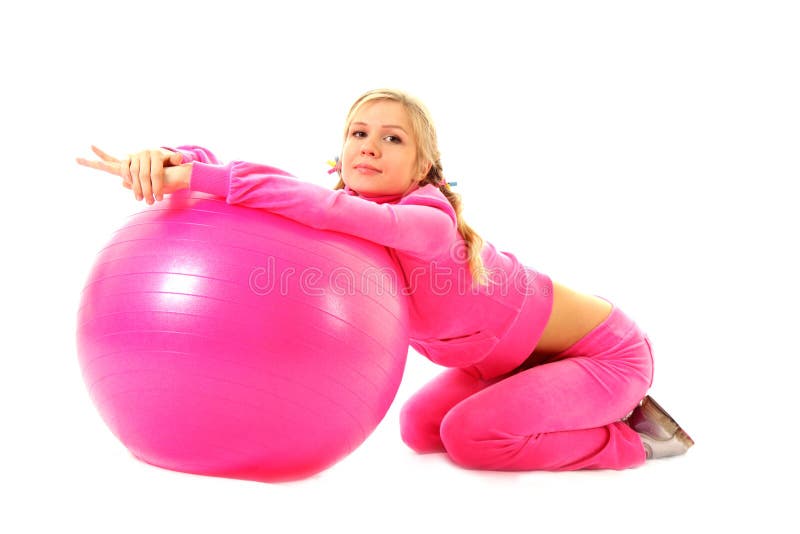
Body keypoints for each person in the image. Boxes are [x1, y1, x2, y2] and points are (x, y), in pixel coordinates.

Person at [77, 88, 694, 471]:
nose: (370, 146)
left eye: (392, 138)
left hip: (607, 356)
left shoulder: (428, 222)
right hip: (506, 364)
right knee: (422, 430)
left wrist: (202, 178)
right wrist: (171, 158)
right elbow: (276, 195)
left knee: (474, 438)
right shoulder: (358, 226)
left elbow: (316, 205)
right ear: (340, 151)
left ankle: (635, 439)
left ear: (423, 164)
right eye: (358, 134)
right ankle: (556, 409)